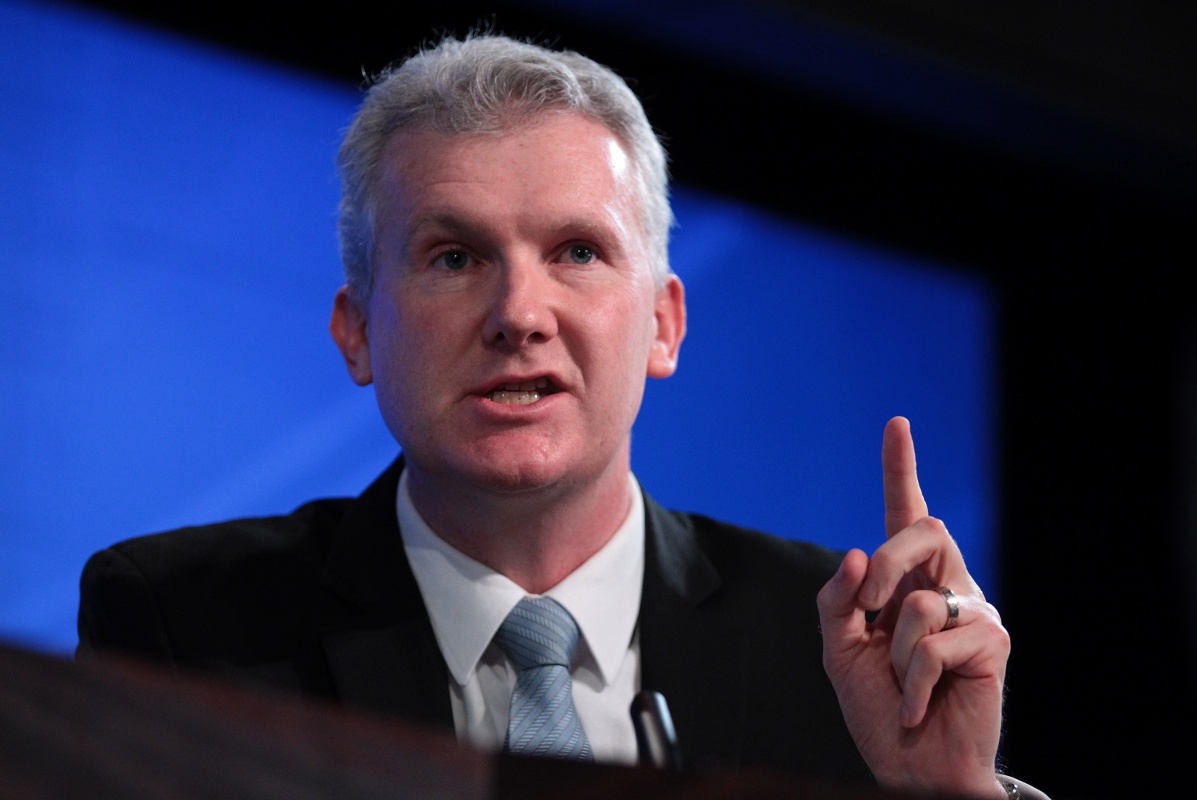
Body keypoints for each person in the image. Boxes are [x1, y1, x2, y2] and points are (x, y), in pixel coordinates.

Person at [78, 35, 1046, 799]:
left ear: (664, 324)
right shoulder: (181, 625)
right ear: (357, 332)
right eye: (454, 257)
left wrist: (951, 794)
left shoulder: (837, 649)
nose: (519, 314)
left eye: (578, 252)